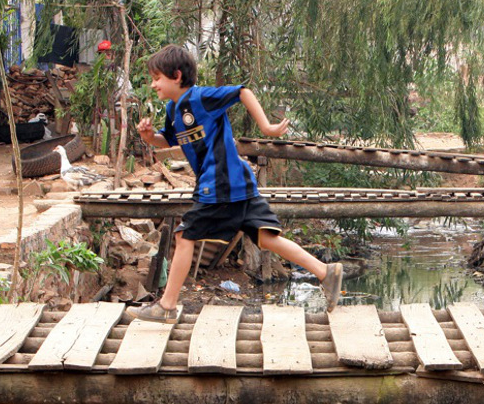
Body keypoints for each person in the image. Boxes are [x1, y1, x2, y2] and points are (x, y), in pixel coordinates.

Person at [128, 45, 344, 323]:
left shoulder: (201, 97)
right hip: (238, 182)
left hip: (221, 183)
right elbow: (166, 140)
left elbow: (243, 91)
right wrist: (148, 137)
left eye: (157, 77)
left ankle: (166, 306)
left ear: (176, 75)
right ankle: (326, 272)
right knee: (266, 238)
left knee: (184, 236)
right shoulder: (172, 110)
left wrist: (266, 127)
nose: (153, 84)